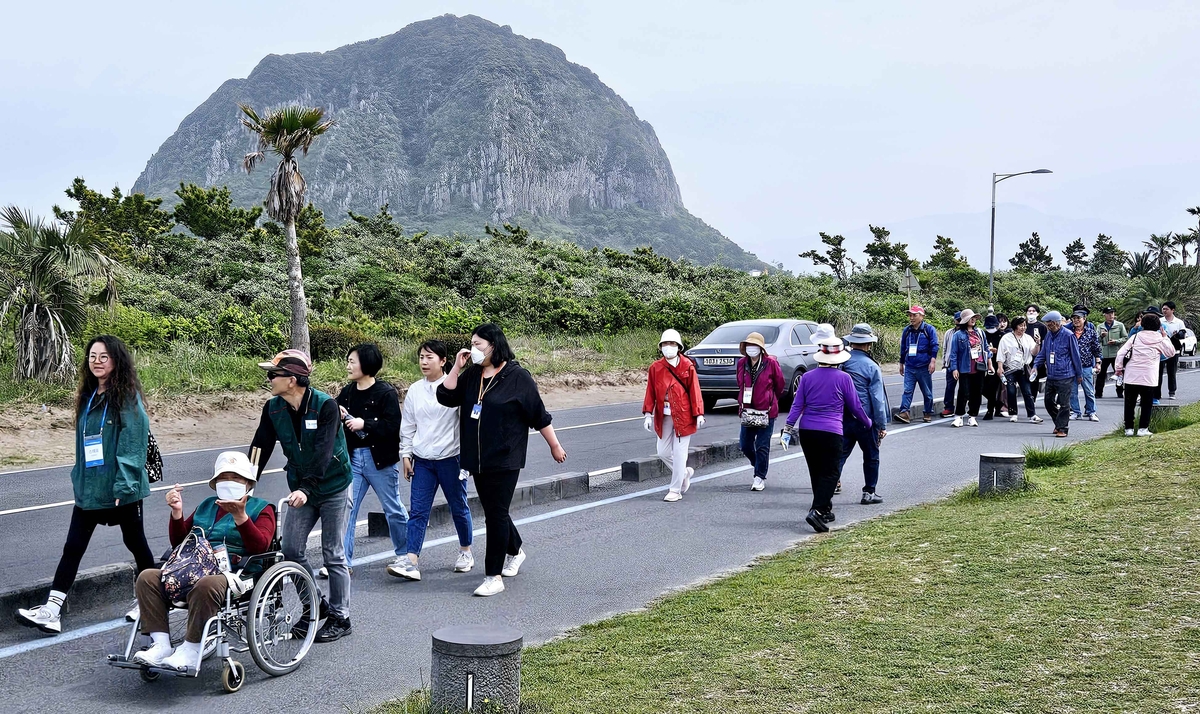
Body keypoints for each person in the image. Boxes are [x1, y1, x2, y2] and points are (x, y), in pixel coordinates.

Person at [17, 335, 153, 635]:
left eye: (104, 356)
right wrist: (78, 481)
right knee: (73, 546)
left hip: (121, 489)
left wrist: (125, 485)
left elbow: (133, 443)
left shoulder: (127, 397)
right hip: (90, 489)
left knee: (136, 544)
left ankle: (151, 603)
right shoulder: (89, 396)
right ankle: (52, 611)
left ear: (116, 360)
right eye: (92, 356)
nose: (97, 361)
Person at [437, 323, 567, 597]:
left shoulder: (517, 377)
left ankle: (493, 575)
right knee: (495, 510)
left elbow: (539, 415)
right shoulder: (473, 374)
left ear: (494, 345)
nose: (473, 349)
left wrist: (554, 445)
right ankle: (515, 550)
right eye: (471, 344)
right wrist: (457, 367)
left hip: (506, 457)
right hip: (477, 459)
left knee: (494, 515)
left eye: (478, 344)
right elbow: (446, 396)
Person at [132, 452, 275, 670]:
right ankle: (160, 645)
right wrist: (177, 513)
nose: (230, 482)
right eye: (224, 478)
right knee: (148, 577)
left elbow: (261, 546)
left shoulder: (262, 509)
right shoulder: (207, 505)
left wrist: (241, 517)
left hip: (237, 574)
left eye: (236, 478)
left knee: (207, 584)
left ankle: (192, 648)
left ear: (247, 483)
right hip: (195, 567)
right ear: (216, 482)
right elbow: (180, 542)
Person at [248, 349, 353, 642]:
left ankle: (341, 616)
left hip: (332, 485)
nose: (269, 379)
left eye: (273, 375)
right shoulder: (273, 408)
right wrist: (246, 483)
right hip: (301, 487)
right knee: (292, 551)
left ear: (292, 380)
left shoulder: (326, 406)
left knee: (333, 553)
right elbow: (260, 447)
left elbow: (323, 453)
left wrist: (306, 489)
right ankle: (315, 607)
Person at [388, 340, 474, 581]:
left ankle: (466, 551)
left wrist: (468, 460)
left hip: (451, 459)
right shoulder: (415, 390)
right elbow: (408, 426)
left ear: (443, 361)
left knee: (459, 507)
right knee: (417, 511)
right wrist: (406, 455)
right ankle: (412, 560)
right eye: (421, 357)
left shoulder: (455, 387)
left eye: (430, 358)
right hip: (423, 461)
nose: (424, 362)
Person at [781, 337, 871, 532]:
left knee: (816, 472)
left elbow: (797, 405)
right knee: (831, 472)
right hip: (831, 431)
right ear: (839, 359)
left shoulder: (807, 377)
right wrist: (868, 422)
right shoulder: (843, 378)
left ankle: (826, 509)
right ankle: (817, 510)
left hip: (807, 431)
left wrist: (788, 427)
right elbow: (855, 406)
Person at [335, 343, 407, 574]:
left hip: (380, 459)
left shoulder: (385, 392)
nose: (348, 366)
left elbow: (393, 426)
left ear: (366, 364)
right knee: (348, 508)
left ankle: (406, 556)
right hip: (353, 458)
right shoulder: (347, 392)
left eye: (352, 361)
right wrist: (338, 414)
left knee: (392, 508)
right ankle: (343, 562)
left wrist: (365, 424)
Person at [642, 329, 706, 503]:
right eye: (665, 344)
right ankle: (683, 473)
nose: (668, 347)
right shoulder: (655, 368)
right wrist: (648, 414)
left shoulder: (687, 366)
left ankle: (675, 489)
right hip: (664, 415)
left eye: (671, 344)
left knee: (679, 454)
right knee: (662, 452)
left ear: (678, 347)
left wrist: (698, 413)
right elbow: (651, 392)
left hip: (683, 415)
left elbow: (694, 391)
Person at [838, 324, 889, 505]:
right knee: (871, 455)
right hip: (866, 419)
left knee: (840, 454)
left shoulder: (842, 362)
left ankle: (829, 487)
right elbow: (877, 399)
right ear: (868, 344)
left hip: (844, 417)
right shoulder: (871, 366)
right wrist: (881, 425)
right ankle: (869, 492)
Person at [735, 331, 786, 492]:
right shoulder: (742, 363)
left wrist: (770, 399)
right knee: (745, 444)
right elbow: (740, 383)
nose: (752, 348)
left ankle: (759, 476)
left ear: (761, 348)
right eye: (749, 345)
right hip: (747, 410)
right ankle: (758, 464)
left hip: (767, 411)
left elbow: (780, 384)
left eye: (755, 346)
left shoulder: (770, 363)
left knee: (763, 445)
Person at [1115, 312, 1176, 436]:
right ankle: (1143, 429)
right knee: (1147, 403)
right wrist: (1165, 337)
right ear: (1159, 326)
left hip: (1131, 376)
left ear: (1142, 324)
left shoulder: (1135, 337)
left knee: (1129, 404)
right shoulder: (1160, 339)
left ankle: (1129, 429)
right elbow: (1171, 353)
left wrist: (1119, 368)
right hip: (1149, 377)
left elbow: (1121, 353)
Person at [1033, 311, 1083, 438]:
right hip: (1051, 375)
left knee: (1065, 404)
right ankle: (1058, 423)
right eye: (1047, 324)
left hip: (1066, 375)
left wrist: (1079, 374)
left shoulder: (1068, 335)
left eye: (1050, 324)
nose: (1048, 326)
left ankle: (1063, 428)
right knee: (1048, 402)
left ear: (1056, 323)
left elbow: (1076, 356)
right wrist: (1035, 366)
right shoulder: (1049, 336)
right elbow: (1043, 353)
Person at [895, 305, 939, 424]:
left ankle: (928, 412)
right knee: (907, 390)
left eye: (915, 315)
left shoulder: (929, 329)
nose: (911, 318)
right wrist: (901, 363)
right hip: (910, 365)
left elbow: (935, 345)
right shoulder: (907, 330)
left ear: (922, 316)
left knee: (927, 392)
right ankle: (904, 412)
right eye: (910, 315)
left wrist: (933, 361)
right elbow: (903, 347)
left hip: (924, 366)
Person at [948, 309, 991, 428]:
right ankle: (959, 416)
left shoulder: (980, 333)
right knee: (963, 392)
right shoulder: (958, 335)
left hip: (979, 367)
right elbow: (954, 353)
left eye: (974, 318)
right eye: (970, 318)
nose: (973, 320)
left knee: (977, 392)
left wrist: (990, 364)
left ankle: (972, 416)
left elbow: (986, 349)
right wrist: (954, 368)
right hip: (964, 367)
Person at [996, 317, 1042, 424]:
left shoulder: (1028, 338)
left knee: (1027, 391)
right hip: (1010, 368)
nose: (1023, 328)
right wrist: (1000, 367)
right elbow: (1001, 353)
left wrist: (1038, 343)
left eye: (1025, 325)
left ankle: (1032, 414)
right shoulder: (1006, 338)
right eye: (1021, 325)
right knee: (1011, 391)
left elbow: (1034, 352)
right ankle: (1013, 413)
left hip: (1023, 368)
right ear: (1015, 326)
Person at [1067, 307, 1101, 422]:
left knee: (1089, 391)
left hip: (1086, 366)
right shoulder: (1068, 332)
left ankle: (1091, 412)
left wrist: (1098, 363)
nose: (1076, 320)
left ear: (1084, 319)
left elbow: (1096, 349)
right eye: (1074, 318)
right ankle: (1076, 412)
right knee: (1072, 391)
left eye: (1078, 318)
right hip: (1071, 366)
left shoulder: (1091, 332)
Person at [1096, 307, 1128, 399]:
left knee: (1119, 374)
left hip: (1116, 353)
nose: (1111, 315)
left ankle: (1120, 392)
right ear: (1104, 315)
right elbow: (1096, 340)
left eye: (1112, 313)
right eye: (1109, 314)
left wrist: (1116, 341)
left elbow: (1125, 338)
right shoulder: (1100, 326)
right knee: (1101, 374)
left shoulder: (1119, 325)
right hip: (1104, 353)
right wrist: (1101, 336)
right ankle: (1098, 393)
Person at [1160, 301, 1186, 400]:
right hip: (1161, 350)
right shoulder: (1159, 321)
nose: (1164, 311)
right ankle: (1157, 392)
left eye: (1166, 309)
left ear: (1172, 310)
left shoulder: (1179, 322)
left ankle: (1172, 392)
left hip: (1174, 350)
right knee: (1158, 372)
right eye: (1163, 309)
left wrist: (1177, 335)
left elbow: (1183, 334)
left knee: (1172, 372)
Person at [939, 311, 962, 418]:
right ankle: (948, 408)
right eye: (957, 320)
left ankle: (962, 408)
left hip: (963, 364)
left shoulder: (967, 332)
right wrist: (944, 363)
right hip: (950, 364)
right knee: (949, 387)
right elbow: (945, 348)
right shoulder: (949, 332)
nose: (958, 322)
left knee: (964, 388)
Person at [982, 315, 1004, 420]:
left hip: (997, 364)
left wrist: (997, 350)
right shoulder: (983, 334)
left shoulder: (1002, 335)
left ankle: (990, 410)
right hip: (982, 364)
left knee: (992, 388)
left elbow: (1006, 350)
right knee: (982, 388)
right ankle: (997, 403)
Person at [1025, 305, 1049, 400]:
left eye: (1033, 311)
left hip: (1037, 357)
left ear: (1038, 313)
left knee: (1034, 378)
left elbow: (1045, 342)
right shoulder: (1023, 325)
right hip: (1024, 356)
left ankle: (1032, 398)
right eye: (1029, 311)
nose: (1031, 313)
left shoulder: (1042, 327)